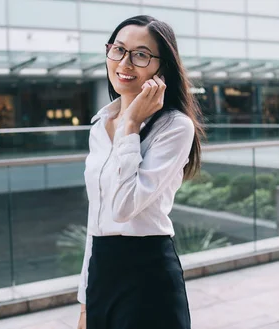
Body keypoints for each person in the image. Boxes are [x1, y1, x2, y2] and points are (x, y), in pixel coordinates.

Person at [77, 15, 204, 329]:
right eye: (118, 50)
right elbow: (97, 217)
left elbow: (122, 208)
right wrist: (84, 299)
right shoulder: (100, 125)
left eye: (141, 54)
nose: (125, 63)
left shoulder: (174, 127)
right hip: (102, 271)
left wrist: (130, 126)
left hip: (148, 274)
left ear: (162, 68)